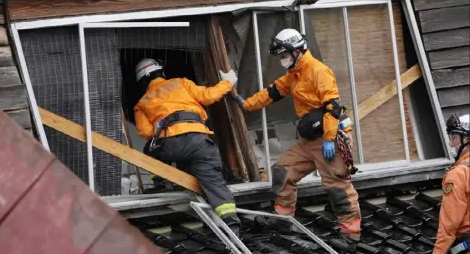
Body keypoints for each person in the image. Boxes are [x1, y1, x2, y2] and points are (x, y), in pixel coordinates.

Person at [223, 28, 361, 249]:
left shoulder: (318, 71)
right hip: (310, 140)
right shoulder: (293, 75)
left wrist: (328, 139)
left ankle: (350, 238)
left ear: (296, 51)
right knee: (282, 171)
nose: (281, 60)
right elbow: (272, 92)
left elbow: (333, 107)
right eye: (279, 56)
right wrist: (245, 103)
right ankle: (283, 221)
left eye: (283, 55)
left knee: (337, 187)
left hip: (330, 136)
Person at [134, 58, 241, 236]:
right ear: (161, 72)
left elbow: (146, 133)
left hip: (170, 146)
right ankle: (232, 230)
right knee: (213, 182)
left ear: (143, 80)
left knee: (150, 149)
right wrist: (228, 82)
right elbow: (209, 96)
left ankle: (162, 182)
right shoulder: (181, 82)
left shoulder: (142, 103)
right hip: (198, 141)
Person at [432, 114, 470, 254]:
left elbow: (450, 223)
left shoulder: (458, 174)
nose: (451, 144)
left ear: (467, 139)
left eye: (453, 137)